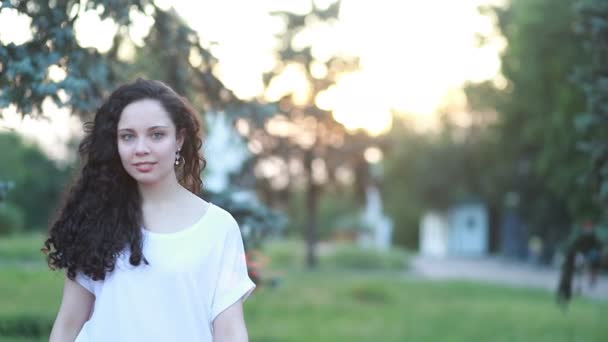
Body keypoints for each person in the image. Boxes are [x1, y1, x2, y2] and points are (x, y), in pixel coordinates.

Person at [43, 78, 256, 341]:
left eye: (156, 135)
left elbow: (231, 331)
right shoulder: (96, 218)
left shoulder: (218, 227)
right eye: (128, 136)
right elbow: (67, 325)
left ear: (179, 138)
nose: (141, 149)